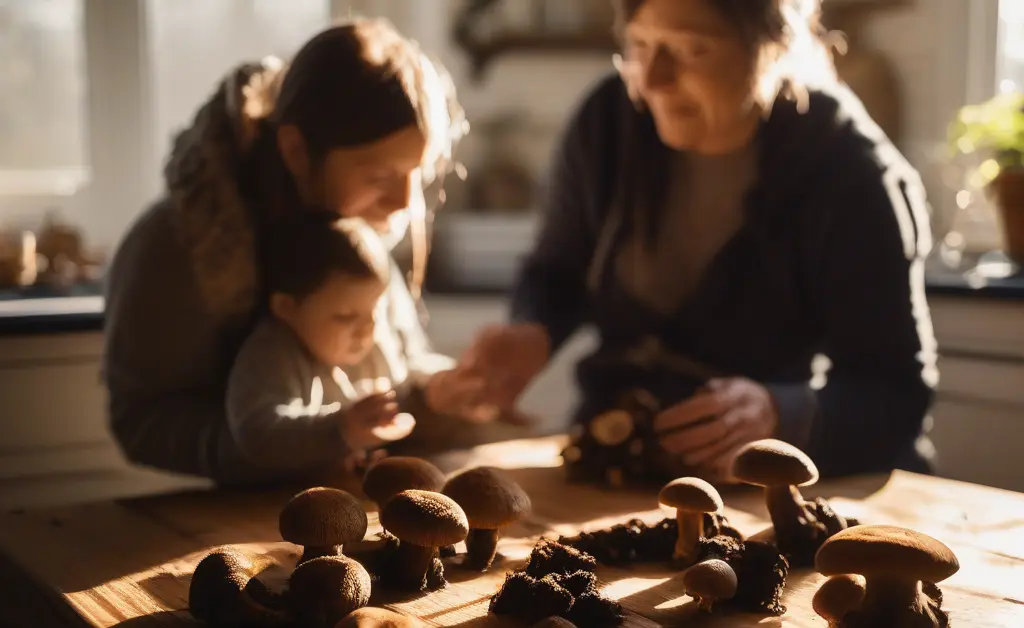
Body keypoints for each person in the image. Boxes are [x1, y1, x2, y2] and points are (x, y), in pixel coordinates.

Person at [463, 0, 939, 482]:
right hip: (618, 467)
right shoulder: (608, 122)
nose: (653, 81)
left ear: (772, 46)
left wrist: (779, 414)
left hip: (765, 488)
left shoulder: (848, 172)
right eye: (641, 45)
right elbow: (557, 273)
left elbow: (893, 394)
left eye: (693, 51)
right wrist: (533, 330)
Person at [102, 18, 509, 486]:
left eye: (416, 174)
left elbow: (393, 370)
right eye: (378, 176)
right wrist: (295, 445)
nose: (404, 203)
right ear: (296, 149)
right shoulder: (176, 249)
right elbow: (142, 422)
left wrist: (438, 393)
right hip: (221, 526)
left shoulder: (360, 225)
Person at [225, 212, 405, 479]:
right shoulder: (272, 354)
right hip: (265, 500)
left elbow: (402, 390)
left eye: (375, 310)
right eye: (345, 316)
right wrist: (341, 428)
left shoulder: (371, 344)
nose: (368, 328)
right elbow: (257, 433)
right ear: (287, 308)